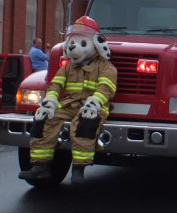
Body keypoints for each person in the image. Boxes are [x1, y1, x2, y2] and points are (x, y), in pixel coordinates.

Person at [19, 17, 116, 184]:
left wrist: (94, 103)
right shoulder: (68, 66)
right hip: (69, 105)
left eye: (81, 43)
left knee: (85, 123)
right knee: (43, 118)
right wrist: (50, 99)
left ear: (96, 44)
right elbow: (56, 83)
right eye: (72, 42)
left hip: (93, 107)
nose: (73, 47)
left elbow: (106, 88)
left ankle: (79, 169)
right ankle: (40, 167)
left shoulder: (105, 67)